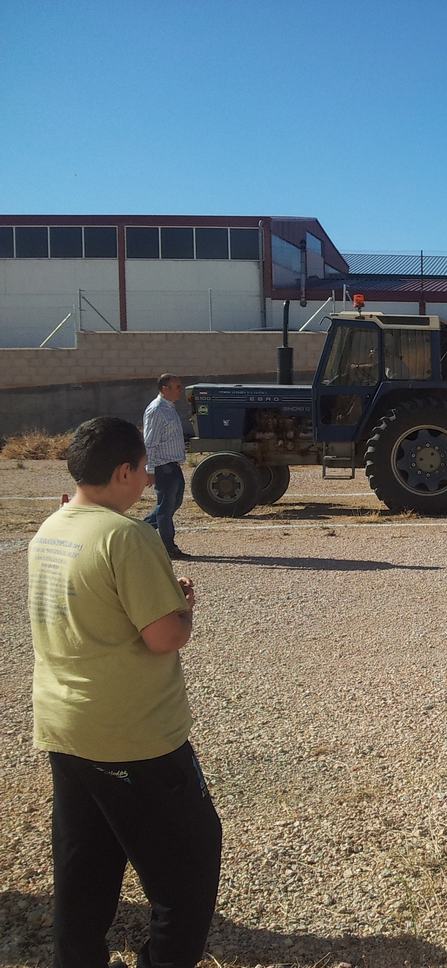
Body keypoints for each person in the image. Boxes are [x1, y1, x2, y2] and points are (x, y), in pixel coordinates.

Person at [28, 416, 220, 968]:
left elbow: (94, 607)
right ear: (122, 472)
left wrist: (159, 597)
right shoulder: (127, 536)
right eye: (142, 469)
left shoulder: (51, 528)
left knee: (85, 866)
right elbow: (164, 637)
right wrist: (183, 610)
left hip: (65, 727)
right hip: (133, 736)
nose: (148, 479)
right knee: (189, 868)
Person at [143, 373, 190, 559]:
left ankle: (142, 529)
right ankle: (168, 547)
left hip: (173, 464)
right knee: (165, 507)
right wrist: (150, 470)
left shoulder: (169, 407)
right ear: (165, 389)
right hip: (163, 466)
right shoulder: (157, 410)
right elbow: (150, 443)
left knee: (173, 503)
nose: (180, 390)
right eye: (177, 387)